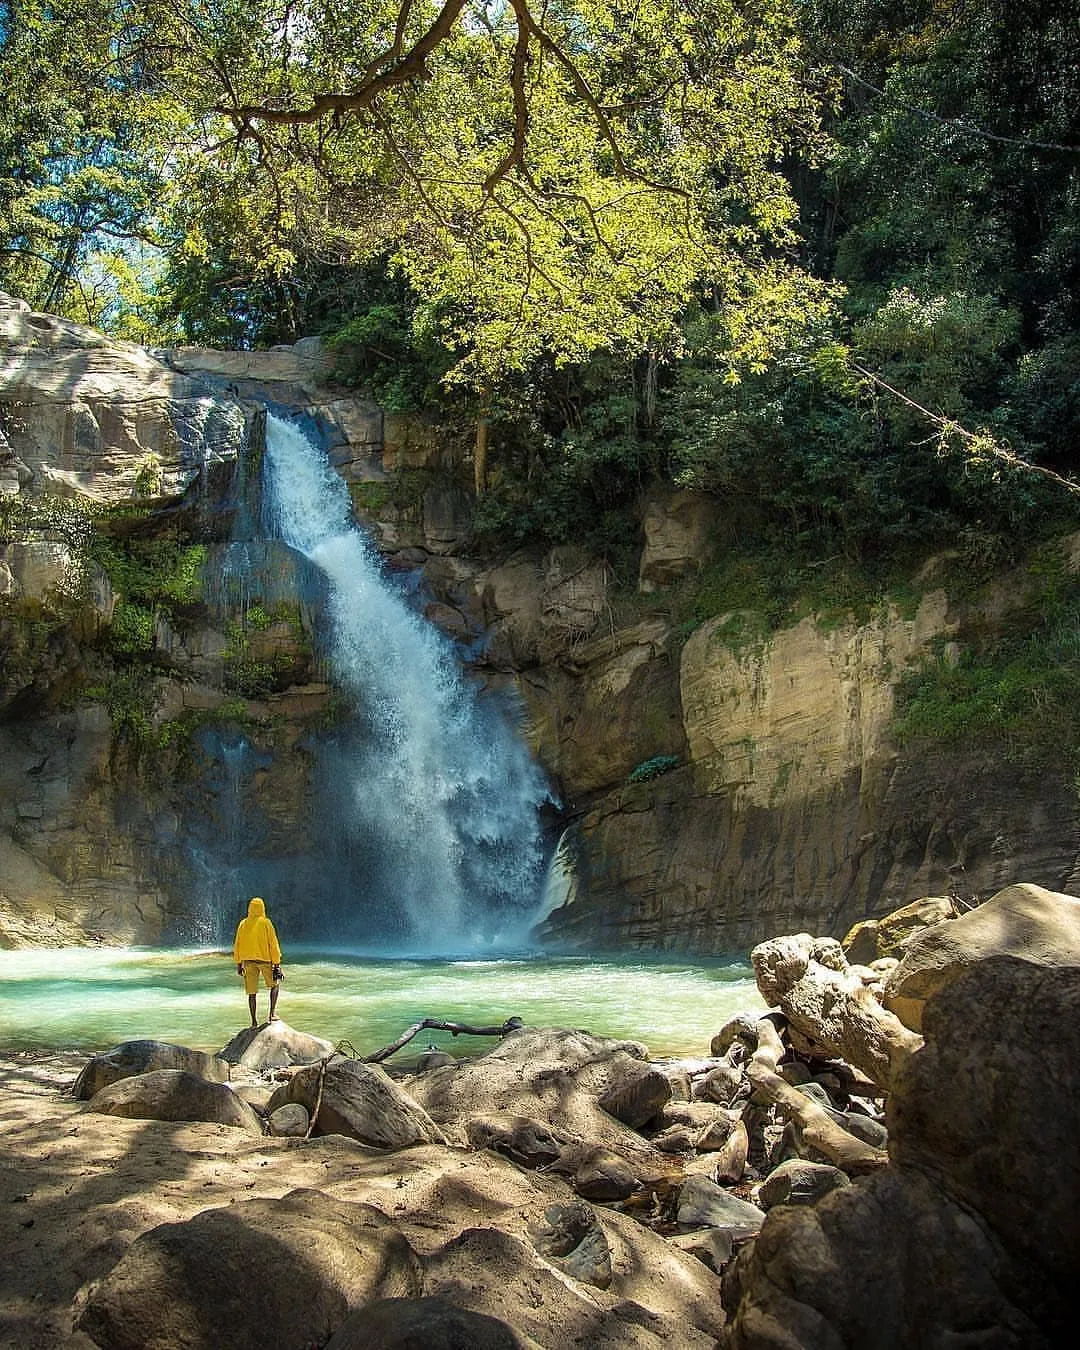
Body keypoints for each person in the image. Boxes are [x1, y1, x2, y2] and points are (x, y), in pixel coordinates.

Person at [232, 896, 284, 1027]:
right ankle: (272, 1014)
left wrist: (238, 963)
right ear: (262, 908)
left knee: (252, 992)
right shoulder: (266, 923)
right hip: (264, 960)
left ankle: (254, 1022)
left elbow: (237, 944)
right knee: (274, 985)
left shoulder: (243, 924)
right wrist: (277, 964)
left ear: (249, 908)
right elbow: (273, 944)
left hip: (248, 961)